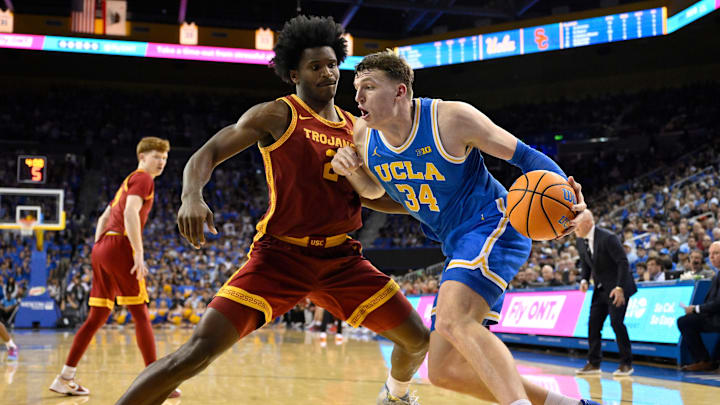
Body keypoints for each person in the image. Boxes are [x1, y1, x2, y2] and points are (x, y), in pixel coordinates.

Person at [116, 16, 428, 405]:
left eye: (332, 64)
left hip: (341, 260)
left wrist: (422, 205)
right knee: (197, 352)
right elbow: (207, 152)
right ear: (293, 73)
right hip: (281, 257)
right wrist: (191, 196)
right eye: (316, 66)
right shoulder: (277, 114)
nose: (328, 73)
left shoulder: (358, 127)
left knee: (417, 339)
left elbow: (370, 196)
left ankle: (395, 397)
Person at [331, 49, 597, 405]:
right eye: (356, 88)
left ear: (400, 91)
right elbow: (377, 191)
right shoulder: (363, 137)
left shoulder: (450, 118)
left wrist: (569, 196)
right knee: (444, 371)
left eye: (369, 86)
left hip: (493, 223)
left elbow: (525, 156)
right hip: (455, 243)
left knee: (454, 319)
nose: (358, 97)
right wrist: (353, 174)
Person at [49, 137, 178, 398]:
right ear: (142, 157)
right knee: (140, 313)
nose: (162, 162)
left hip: (103, 246)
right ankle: (154, 382)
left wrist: (100, 247)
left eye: (164, 158)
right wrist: (138, 252)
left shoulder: (127, 181)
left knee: (96, 317)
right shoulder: (144, 179)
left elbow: (103, 217)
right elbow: (130, 213)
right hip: (120, 246)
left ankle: (65, 377)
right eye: (156, 157)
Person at [575, 210, 637, 376]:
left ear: (587, 222)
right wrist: (584, 280)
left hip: (618, 288)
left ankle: (626, 363)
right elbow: (586, 264)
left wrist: (620, 288)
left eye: (577, 225)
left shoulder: (608, 237)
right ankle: (594, 363)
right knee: (593, 324)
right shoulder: (580, 241)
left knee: (617, 323)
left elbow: (623, 263)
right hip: (600, 288)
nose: (574, 228)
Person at [677, 241, 720, 371]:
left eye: (716, 253)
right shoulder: (717, 274)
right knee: (685, 320)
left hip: (717, 317)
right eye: (710, 254)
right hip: (714, 315)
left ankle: (704, 360)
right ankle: (705, 360)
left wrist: (696, 309)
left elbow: (718, 303)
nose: (712, 257)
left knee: (685, 322)